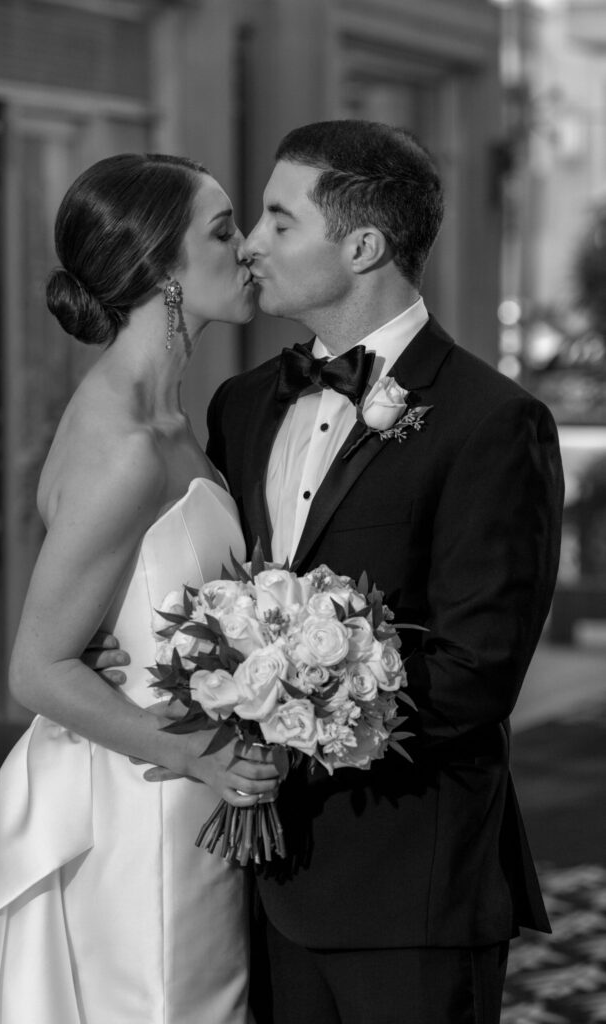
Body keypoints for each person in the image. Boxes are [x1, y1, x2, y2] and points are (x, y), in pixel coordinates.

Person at [93, 121, 564, 1023]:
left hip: (409, 885)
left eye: (277, 218)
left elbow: (475, 674)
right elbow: (219, 594)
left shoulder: (492, 422)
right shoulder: (237, 404)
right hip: (251, 878)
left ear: (361, 245)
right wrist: (166, 665)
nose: (251, 245)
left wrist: (288, 719)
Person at [0, 152, 280, 1024]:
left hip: (167, 779)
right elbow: (38, 669)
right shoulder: (126, 440)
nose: (248, 250)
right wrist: (197, 752)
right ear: (162, 267)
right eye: (224, 230)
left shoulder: (165, 418)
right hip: (144, 805)